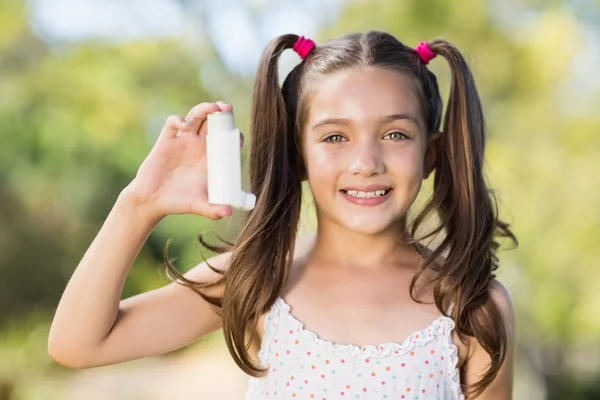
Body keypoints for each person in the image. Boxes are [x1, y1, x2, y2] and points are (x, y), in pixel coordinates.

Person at [48, 31, 518, 399]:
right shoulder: (256, 279)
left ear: (431, 153)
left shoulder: (473, 307)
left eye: (395, 135)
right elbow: (77, 343)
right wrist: (140, 203)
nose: (366, 162)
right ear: (297, 154)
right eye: (335, 137)